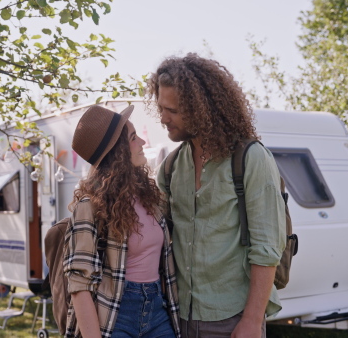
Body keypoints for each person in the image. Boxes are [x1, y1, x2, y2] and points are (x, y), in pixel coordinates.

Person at [147, 53, 286, 338]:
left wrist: (251, 321)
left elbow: (267, 248)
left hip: (233, 319)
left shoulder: (251, 158)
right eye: (161, 108)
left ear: (200, 108)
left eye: (171, 110)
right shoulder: (171, 167)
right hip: (179, 316)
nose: (162, 118)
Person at [63, 105, 181, 338]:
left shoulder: (150, 197)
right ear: (118, 151)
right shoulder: (90, 206)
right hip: (115, 314)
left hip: (157, 310)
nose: (143, 143)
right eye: (133, 138)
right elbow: (79, 285)